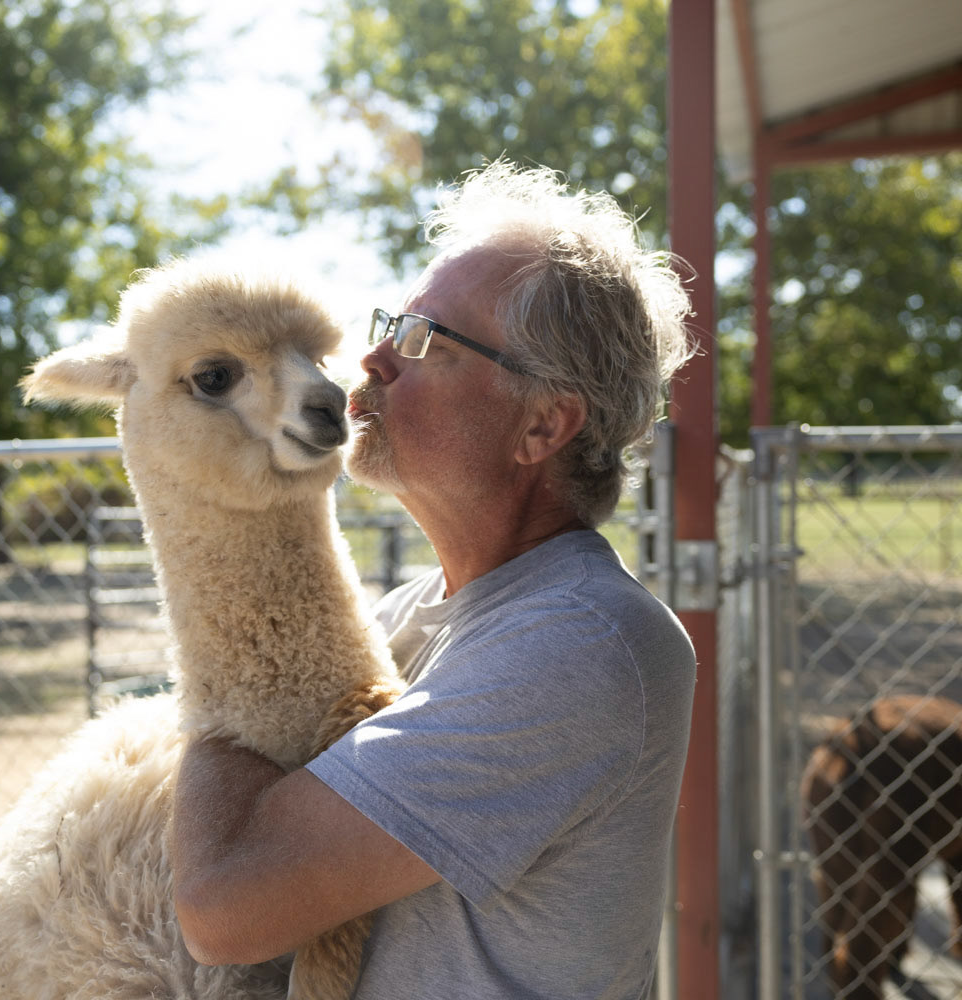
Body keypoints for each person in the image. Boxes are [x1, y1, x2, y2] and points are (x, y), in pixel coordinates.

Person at [170, 160, 698, 999]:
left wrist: (221, 687)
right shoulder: (413, 615)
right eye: (391, 323)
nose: (374, 358)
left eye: (425, 338)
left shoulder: (582, 647)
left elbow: (223, 907)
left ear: (542, 424)